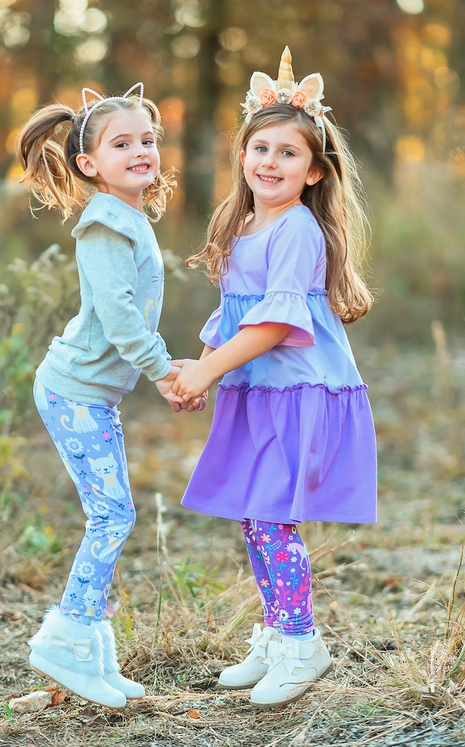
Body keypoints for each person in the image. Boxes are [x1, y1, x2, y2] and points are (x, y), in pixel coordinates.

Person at [172, 47, 377, 708]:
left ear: (316, 171)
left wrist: (208, 368)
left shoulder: (297, 231)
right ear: (241, 155)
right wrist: (198, 365)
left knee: (271, 518)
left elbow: (270, 327)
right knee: (254, 517)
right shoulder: (245, 224)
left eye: (289, 153)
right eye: (261, 147)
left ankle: (301, 639)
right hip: (259, 388)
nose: (271, 162)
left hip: (296, 389)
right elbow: (237, 313)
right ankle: (277, 631)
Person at [17, 83, 185, 708]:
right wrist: (165, 373)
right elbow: (119, 320)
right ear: (89, 164)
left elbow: (132, 310)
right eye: (122, 143)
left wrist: (166, 365)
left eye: (147, 140)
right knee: (112, 516)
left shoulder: (127, 217)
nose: (141, 150)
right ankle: (66, 642)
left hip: (92, 396)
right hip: (74, 391)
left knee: (114, 515)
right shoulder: (105, 224)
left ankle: (93, 653)